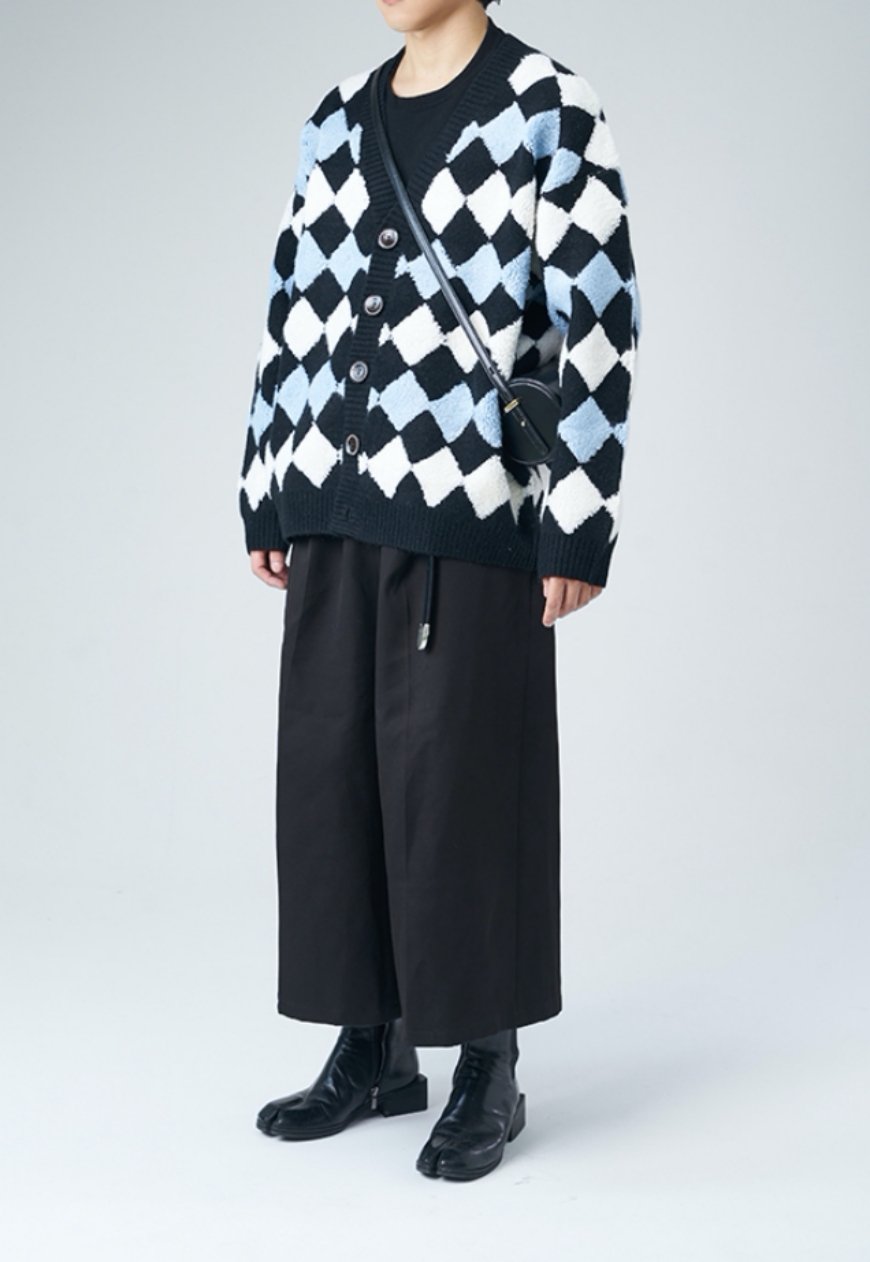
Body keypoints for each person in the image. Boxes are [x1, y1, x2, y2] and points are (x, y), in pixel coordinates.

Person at [239, 0, 639, 1181]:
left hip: (471, 505)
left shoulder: (551, 106)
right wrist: (266, 483)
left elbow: (597, 319)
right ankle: (372, 1045)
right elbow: (291, 305)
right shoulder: (336, 118)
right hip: (332, 499)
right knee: (331, 776)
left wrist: (578, 516)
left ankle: (488, 1061)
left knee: (464, 781)